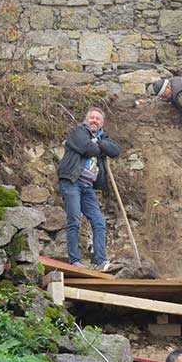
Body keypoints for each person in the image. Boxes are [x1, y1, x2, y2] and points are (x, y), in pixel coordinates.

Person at [57, 107, 121, 271]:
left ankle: (101, 261)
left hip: (87, 186)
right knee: (74, 219)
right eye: (92, 118)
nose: (94, 121)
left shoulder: (102, 137)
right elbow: (88, 149)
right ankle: (75, 261)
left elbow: (115, 151)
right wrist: (102, 148)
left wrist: (98, 143)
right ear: (87, 119)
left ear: (102, 123)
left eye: (97, 119)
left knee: (99, 222)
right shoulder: (78, 132)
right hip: (72, 181)